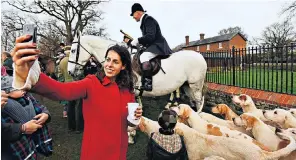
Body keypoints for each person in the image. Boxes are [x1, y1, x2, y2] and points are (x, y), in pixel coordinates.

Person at [11, 34, 143, 160]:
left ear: (123, 66)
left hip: (120, 150)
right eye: (108, 59)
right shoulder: (91, 82)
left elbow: (128, 122)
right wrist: (31, 75)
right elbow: (61, 91)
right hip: (96, 152)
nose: (109, 64)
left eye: (115, 62)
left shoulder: (128, 90)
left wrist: (135, 117)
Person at [1, 75, 52, 160]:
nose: (23, 90)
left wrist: (46, 114)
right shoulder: (4, 107)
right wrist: (23, 128)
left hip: (31, 144)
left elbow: (38, 105)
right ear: (6, 92)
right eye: (19, 88)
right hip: (16, 149)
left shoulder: (26, 97)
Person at [125, 3, 173, 91]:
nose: (133, 17)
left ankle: (147, 83)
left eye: (133, 14)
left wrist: (137, 40)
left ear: (138, 12)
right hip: (153, 44)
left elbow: (150, 37)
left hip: (158, 45)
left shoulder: (148, 20)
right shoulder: (144, 21)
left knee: (144, 56)